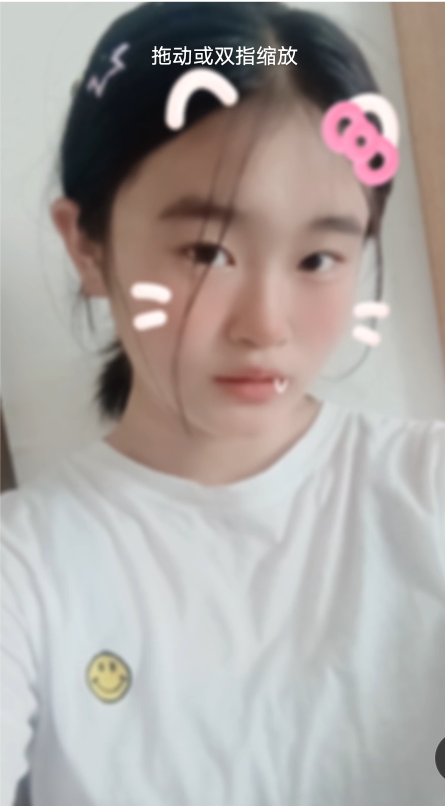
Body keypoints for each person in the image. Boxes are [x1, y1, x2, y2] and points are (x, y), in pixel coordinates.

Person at [1, 2, 445, 805]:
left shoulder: (429, 489)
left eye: (318, 257)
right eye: (207, 251)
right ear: (87, 246)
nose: (264, 325)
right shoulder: (24, 568)